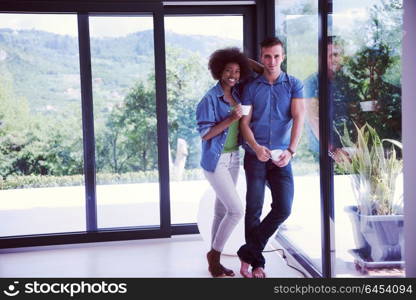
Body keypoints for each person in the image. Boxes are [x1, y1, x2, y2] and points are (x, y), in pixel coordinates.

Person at [237, 37, 305, 278]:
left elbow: (299, 119)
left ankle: (247, 252)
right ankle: (257, 264)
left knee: (283, 208)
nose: (272, 61)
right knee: (253, 207)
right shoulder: (250, 87)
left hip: (281, 156)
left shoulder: (294, 85)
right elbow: (244, 122)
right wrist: (255, 147)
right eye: (267, 56)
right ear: (261, 57)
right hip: (255, 155)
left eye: (276, 56)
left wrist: (291, 151)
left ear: (283, 57)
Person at [196, 47, 251, 277]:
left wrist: (246, 63)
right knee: (237, 210)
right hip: (216, 160)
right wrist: (232, 118)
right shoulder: (209, 99)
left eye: (237, 71)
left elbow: (257, 72)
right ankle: (214, 255)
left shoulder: (237, 94)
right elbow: (206, 134)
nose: (233, 75)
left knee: (221, 211)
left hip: (234, 157)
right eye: (228, 70)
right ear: (218, 71)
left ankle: (214, 262)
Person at [303, 36, 360, 161]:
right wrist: (332, 150)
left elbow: (353, 112)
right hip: (324, 152)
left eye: (337, 55)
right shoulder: (312, 83)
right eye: (331, 55)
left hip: (345, 149)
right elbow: (313, 119)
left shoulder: (343, 82)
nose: (335, 59)